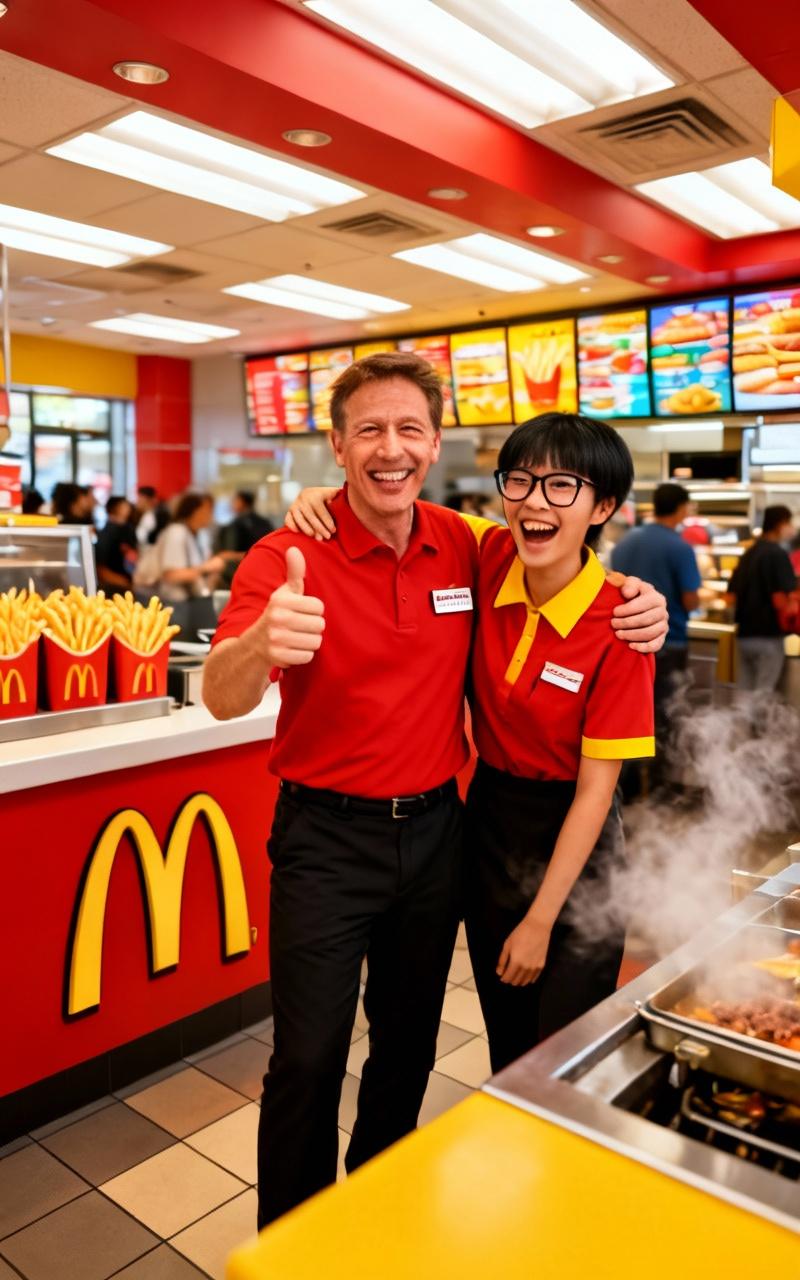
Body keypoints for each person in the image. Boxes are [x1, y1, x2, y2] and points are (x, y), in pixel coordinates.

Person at [201, 352, 667, 1227]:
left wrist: (643, 599)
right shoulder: (286, 552)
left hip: (438, 836)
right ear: (336, 447)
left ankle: (374, 1216)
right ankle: (295, 1243)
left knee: (408, 1048)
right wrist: (263, 641)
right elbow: (221, 697)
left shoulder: (465, 542)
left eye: (409, 429)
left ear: (435, 443)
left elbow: (566, 557)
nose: (391, 448)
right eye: (368, 430)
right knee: (307, 1057)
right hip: (325, 842)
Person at [463, 415, 654, 1072]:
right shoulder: (488, 562)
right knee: (508, 1042)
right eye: (520, 480)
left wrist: (542, 920)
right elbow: (396, 509)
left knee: (566, 1054)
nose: (534, 501)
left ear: (603, 506)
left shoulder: (621, 621)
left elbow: (598, 792)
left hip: (578, 840)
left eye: (562, 485)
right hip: (489, 825)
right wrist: (316, 498)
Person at [611, 483, 700, 779]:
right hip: (668, 642)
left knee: (627, 714)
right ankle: (663, 786)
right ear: (681, 508)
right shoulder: (680, 546)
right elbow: (690, 599)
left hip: (622, 642)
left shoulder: (625, 541)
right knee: (666, 713)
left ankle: (628, 784)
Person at [728, 505, 797, 690]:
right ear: (781, 523)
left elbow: (731, 594)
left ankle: (740, 721)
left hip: (744, 635)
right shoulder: (778, 554)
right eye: (789, 522)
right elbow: (783, 599)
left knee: (745, 694)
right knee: (764, 694)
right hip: (768, 636)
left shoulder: (749, 553)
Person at [154, 492, 225, 603]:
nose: (210, 515)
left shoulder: (200, 535)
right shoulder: (177, 532)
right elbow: (171, 575)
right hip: (174, 602)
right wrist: (207, 567)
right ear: (194, 511)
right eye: (207, 510)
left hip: (193, 601)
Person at [216, 489, 273, 587]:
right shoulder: (265, 523)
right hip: (262, 573)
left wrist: (228, 556)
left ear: (241, 502)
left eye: (235, 500)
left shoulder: (236, 524)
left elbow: (228, 552)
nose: (232, 504)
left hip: (240, 573)